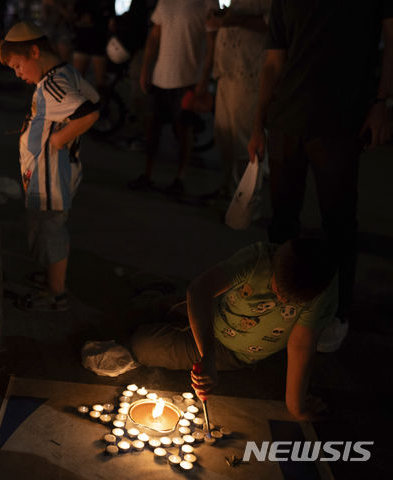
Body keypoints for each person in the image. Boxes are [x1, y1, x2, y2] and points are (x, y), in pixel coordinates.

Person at [247, 1, 393, 352]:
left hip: (340, 122)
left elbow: (392, 43)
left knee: (339, 221)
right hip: (286, 120)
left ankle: (337, 311)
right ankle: (279, 301)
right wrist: (257, 125)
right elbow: (273, 63)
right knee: (282, 220)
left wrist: (382, 102)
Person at [131, 239, 337, 420]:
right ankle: (163, 299)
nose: (281, 300)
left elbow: (301, 345)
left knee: (141, 344)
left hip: (228, 349)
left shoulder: (320, 291)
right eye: (277, 291)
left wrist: (297, 409)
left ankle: (164, 302)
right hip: (216, 314)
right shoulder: (258, 259)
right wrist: (207, 357)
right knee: (146, 310)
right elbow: (199, 290)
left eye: (291, 301)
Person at [0, 21, 100, 311]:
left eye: (18, 66)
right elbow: (94, 97)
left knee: (50, 229)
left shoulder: (53, 85)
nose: (18, 74)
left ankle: (56, 294)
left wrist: (60, 139)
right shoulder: (65, 73)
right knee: (46, 228)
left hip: (51, 176)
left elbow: (89, 111)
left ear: (34, 51)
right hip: (51, 173)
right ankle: (50, 278)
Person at [128, 0, 216, 194]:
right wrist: (146, 68)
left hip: (188, 78)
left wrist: (204, 79)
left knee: (183, 130)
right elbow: (154, 36)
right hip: (161, 75)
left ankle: (180, 178)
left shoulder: (207, 3)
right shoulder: (166, 2)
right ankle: (148, 174)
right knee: (152, 128)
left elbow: (212, 45)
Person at [204, 0, 270, 203]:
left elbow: (273, 24)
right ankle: (228, 190)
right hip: (227, 69)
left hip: (248, 72)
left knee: (244, 141)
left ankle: (246, 201)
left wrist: (236, 20)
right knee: (225, 138)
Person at [71, 0, 115, 91]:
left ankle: (102, 102)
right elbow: (75, 19)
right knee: (77, 81)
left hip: (98, 41)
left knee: (101, 82)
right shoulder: (81, 4)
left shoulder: (105, 4)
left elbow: (110, 21)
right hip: (83, 40)